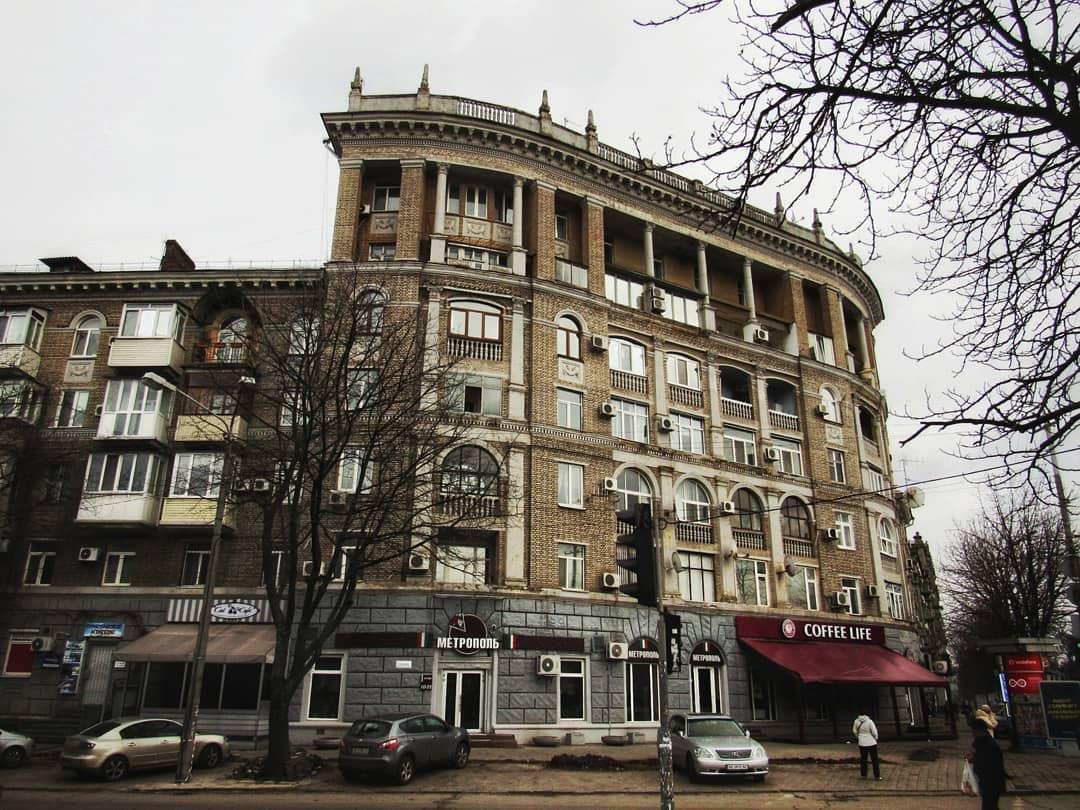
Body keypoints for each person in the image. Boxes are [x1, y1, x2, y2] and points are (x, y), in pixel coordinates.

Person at [968, 718, 1006, 809]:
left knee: (989, 806)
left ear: (979, 731)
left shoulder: (989, 745)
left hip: (992, 783)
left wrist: (974, 759)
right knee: (990, 806)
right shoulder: (983, 743)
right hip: (988, 782)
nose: (972, 734)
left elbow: (987, 764)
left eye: (974, 732)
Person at [852, 710, 881, 780]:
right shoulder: (869, 721)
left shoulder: (856, 721)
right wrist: (876, 738)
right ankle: (877, 776)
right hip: (871, 742)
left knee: (863, 759)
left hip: (862, 742)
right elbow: (874, 732)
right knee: (874, 759)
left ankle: (863, 775)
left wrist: (858, 737)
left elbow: (854, 731)